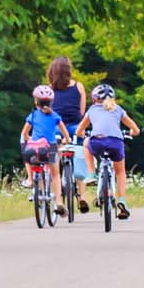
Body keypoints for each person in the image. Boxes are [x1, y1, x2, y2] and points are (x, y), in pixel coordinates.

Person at [74, 83, 140, 220]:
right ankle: (122, 200)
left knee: (86, 144)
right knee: (120, 172)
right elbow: (136, 129)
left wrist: (83, 135)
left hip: (97, 142)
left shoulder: (92, 110)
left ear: (94, 99)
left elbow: (79, 130)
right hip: (116, 143)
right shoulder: (118, 109)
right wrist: (132, 132)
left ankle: (91, 174)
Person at [46, 56, 93, 213]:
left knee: (54, 163)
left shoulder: (49, 90)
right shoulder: (78, 86)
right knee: (79, 158)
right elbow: (82, 112)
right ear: (68, 70)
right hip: (75, 128)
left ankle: (58, 199)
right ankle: (83, 197)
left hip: (56, 129)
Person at [19, 85, 72, 214]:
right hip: (50, 148)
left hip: (34, 148)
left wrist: (29, 138)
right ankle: (58, 202)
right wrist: (67, 140)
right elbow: (65, 134)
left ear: (35, 101)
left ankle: (31, 179)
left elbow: (24, 133)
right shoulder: (55, 116)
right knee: (55, 175)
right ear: (51, 102)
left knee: (28, 153)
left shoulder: (33, 115)